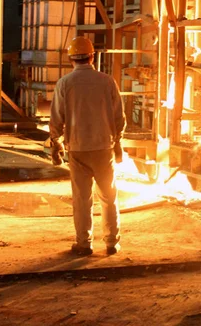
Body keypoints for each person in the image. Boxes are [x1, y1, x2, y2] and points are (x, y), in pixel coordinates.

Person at [49, 36, 126, 256]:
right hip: (104, 148)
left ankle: (84, 243)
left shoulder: (65, 83)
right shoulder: (107, 81)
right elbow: (119, 116)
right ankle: (111, 243)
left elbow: (56, 118)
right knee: (109, 197)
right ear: (92, 56)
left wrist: (56, 142)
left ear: (71, 58)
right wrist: (118, 140)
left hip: (78, 148)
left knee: (82, 199)